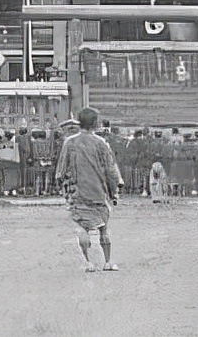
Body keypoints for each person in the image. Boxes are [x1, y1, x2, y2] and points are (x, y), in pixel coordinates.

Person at [55, 106, 123, 272]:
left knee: (83, 227)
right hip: (99, 191)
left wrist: (62, 188)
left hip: (77, 192)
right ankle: (107, 262)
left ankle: (88, 263)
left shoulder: (69, 142)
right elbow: (111, 169)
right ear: (95, 123)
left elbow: (61, 170)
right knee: (103, 228)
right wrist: (115, 190)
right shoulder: (101, 143)